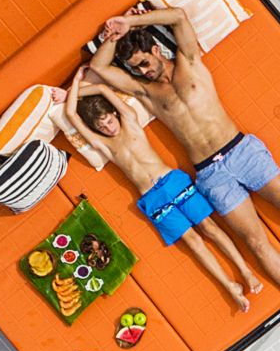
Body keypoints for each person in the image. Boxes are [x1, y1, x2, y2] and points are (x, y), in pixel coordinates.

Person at [86, 6, 280, 336]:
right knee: (255, 242)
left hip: (241, 150)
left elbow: (177, 16)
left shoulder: (189, 61)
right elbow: (98, 66)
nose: (143, 71)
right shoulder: (146, 92)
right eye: (135, 69)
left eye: (144, 63)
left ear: (155, 49)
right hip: (210, 174)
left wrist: (129, 22)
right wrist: (113, 35)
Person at [63, 78, 262, 311]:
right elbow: (72, 115)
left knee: (210, 228)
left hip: (172, 181)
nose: (108, 127)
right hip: (152, 198)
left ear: (114, 114)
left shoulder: (130, 122)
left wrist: (80, 79)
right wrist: (72, 91)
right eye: (102, 126)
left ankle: (245, 272)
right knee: (193, 241)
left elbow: (104, 89)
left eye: (108, 120)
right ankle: (230, 286)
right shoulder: (105, 146)